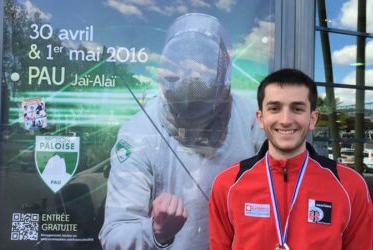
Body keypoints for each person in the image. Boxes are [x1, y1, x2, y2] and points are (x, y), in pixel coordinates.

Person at [99, 13, 265, 249]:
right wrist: (156, 231)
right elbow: (116, 232)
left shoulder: (251, 120)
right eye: (182, 64)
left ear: (222, 70)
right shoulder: (139, 132)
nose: (193, 75)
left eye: (204, 64)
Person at [209, 68, 373, 249]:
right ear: (260, 118)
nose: (286, 120)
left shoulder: (350, 185)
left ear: (312, 119)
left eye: (297, 108)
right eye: (274, 108)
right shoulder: (227, 184)